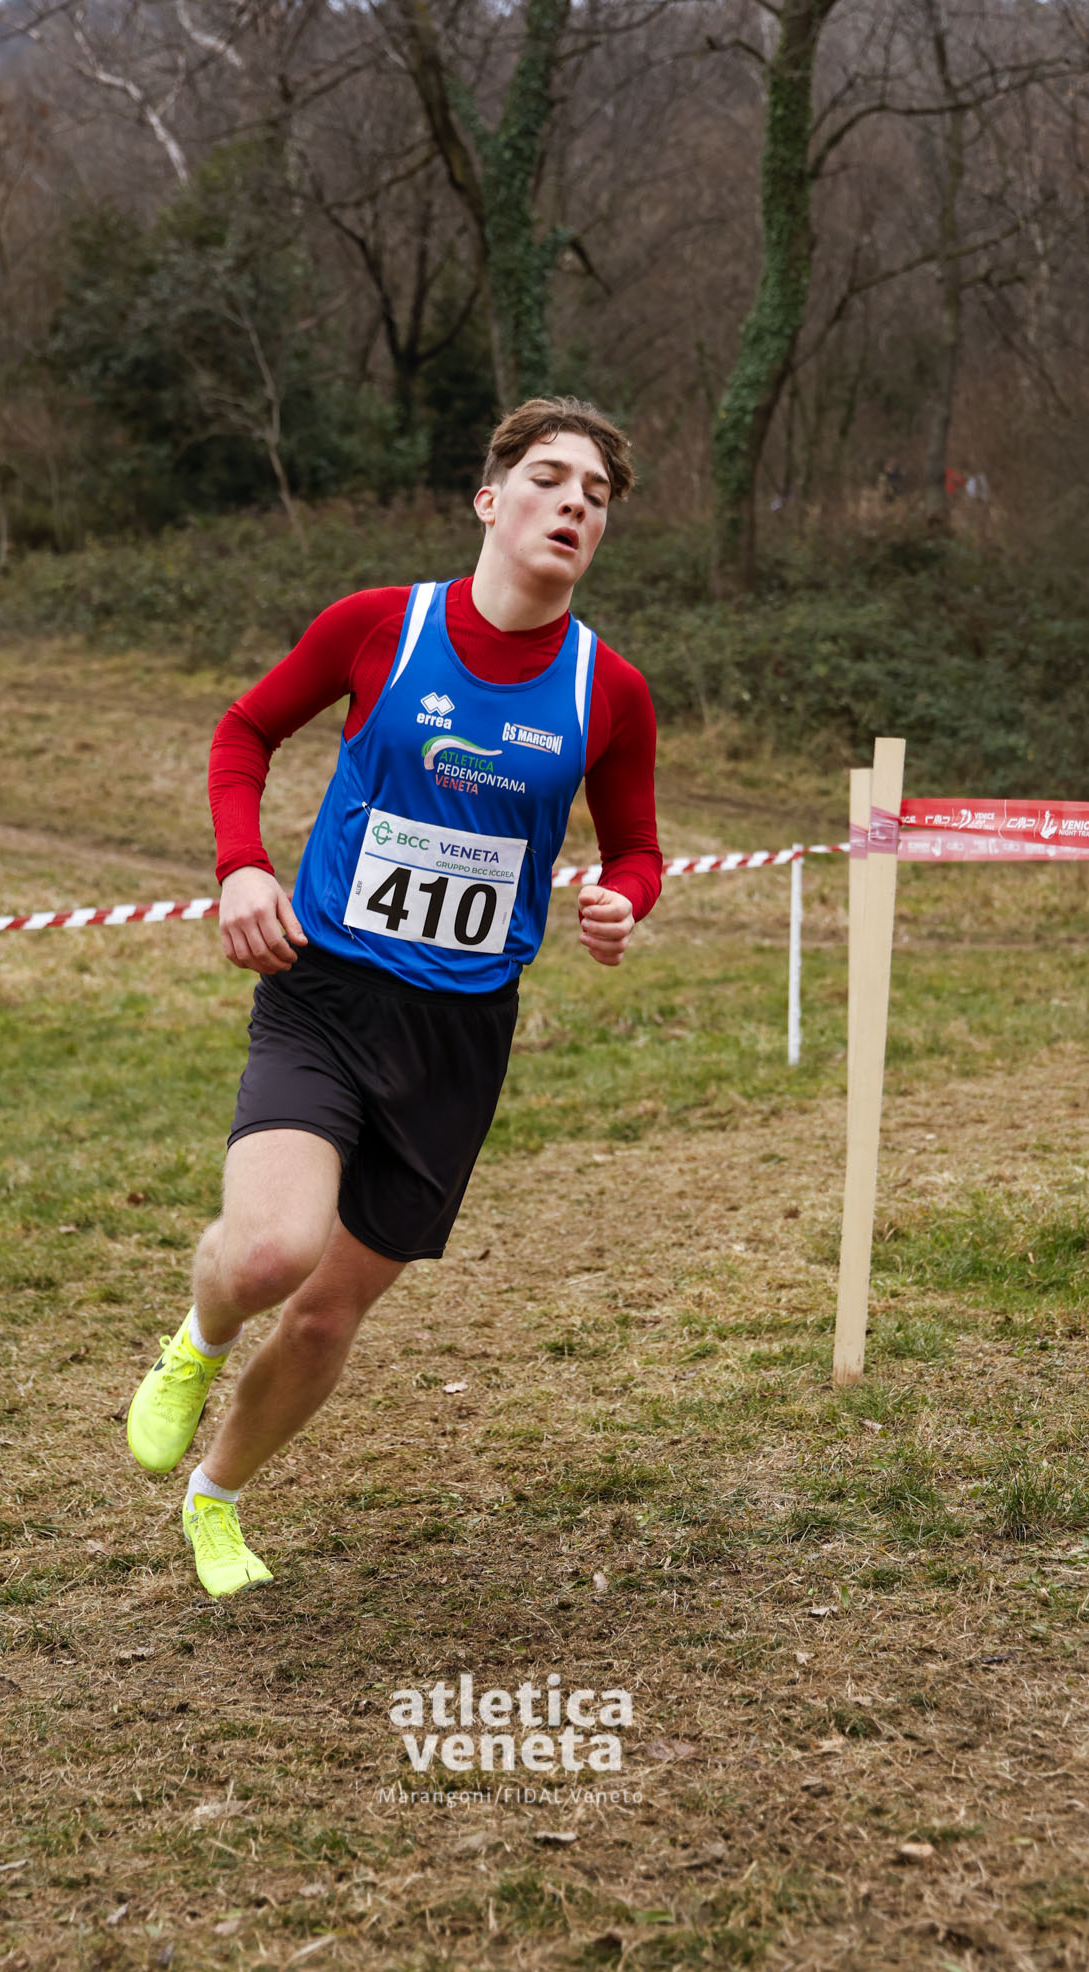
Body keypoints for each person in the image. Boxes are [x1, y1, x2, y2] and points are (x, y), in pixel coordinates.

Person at [125, 396, 663, 1598]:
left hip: (459, 1037)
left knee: (324, 1316)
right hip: (326, 993)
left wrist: (622, 899)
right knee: (271, 1252)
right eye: (550, 478)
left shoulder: (608, 689)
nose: (575, 504)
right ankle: (197, 1342)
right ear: (489, 498)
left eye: (596, 496)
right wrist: (242, 865)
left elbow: (636, 846)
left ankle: (215, 1498)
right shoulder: (382, 625)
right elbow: (243, 730)